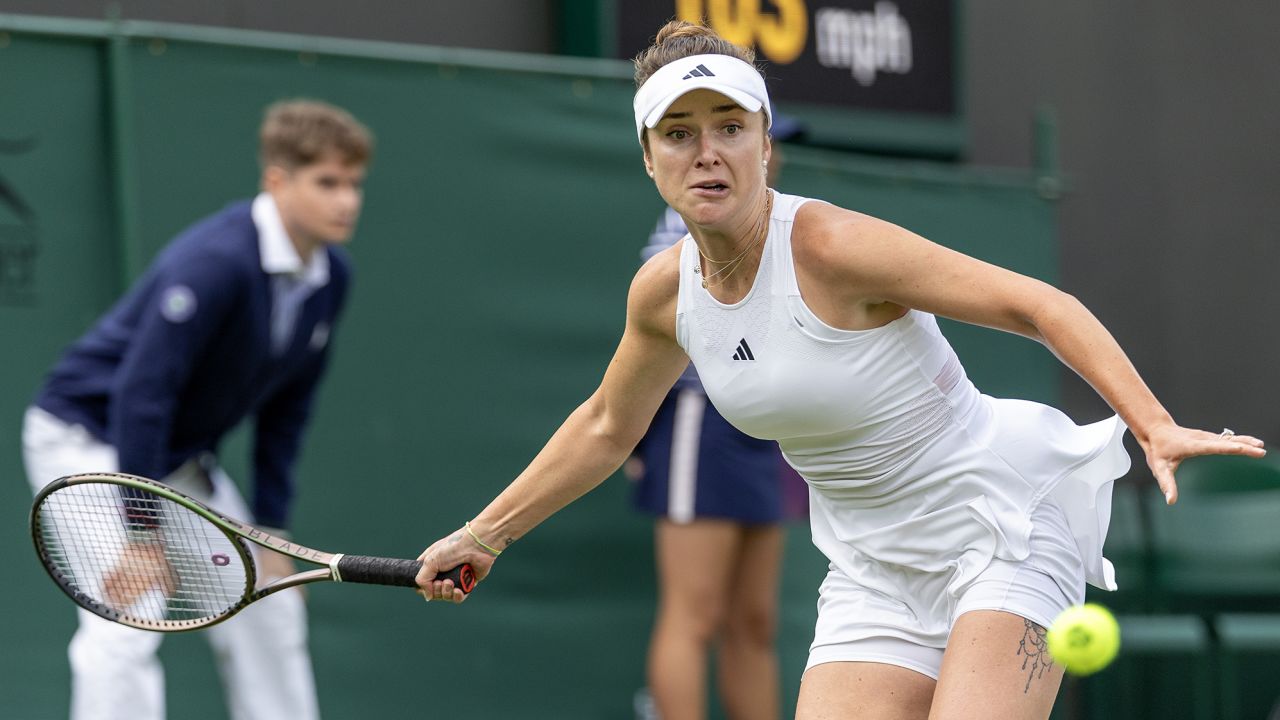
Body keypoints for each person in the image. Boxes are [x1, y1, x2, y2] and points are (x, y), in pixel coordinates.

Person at [414, 21, 1266, 720]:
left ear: (764, 144)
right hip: (871, 568)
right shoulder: (663, 294)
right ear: (649, 158)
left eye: (729, 128)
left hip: (999, 525)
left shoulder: (828, 246)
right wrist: (486, 533)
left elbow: (1036, 305)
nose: (706, 153)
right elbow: (608, 423)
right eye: (678, 134)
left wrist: (1151, 422)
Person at [22, 99, 372, 720]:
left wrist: (272, 532)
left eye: (354, 184)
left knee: (270, 598)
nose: (347, 200)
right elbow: (142, 393)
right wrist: (140, 531)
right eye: (327, 182)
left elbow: (286, 413)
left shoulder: (330, 276)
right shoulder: (217, 261)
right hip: (87, 440)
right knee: (131, 613)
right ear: (277, 180)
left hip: (175, 457)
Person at [629, 112, 804, 720]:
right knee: (693, 615)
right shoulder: (685, 226)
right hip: (698, 420)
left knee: (754, 620)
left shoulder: (788, 222)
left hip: (768, 426)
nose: (759, 155)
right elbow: (660, 333)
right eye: (712, 134)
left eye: (743, 134)